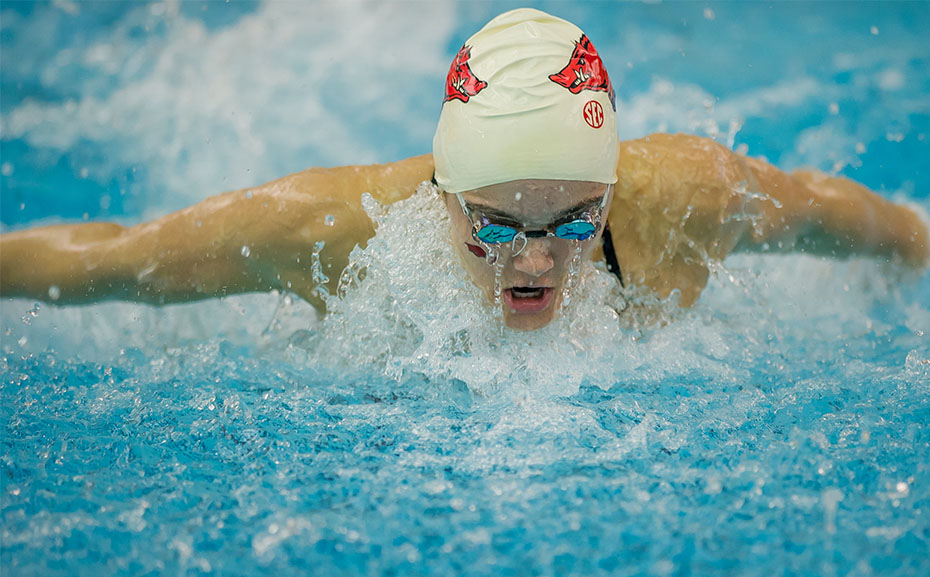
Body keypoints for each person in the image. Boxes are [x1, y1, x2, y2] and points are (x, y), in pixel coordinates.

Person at [1, 9, 927, 332]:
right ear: (443, 190)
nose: (535, 260)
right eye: (494, 224)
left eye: (575, 220)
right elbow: (114, 260)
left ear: (611, 192)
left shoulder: (690, 201)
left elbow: (846, 217)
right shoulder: (331, 229)